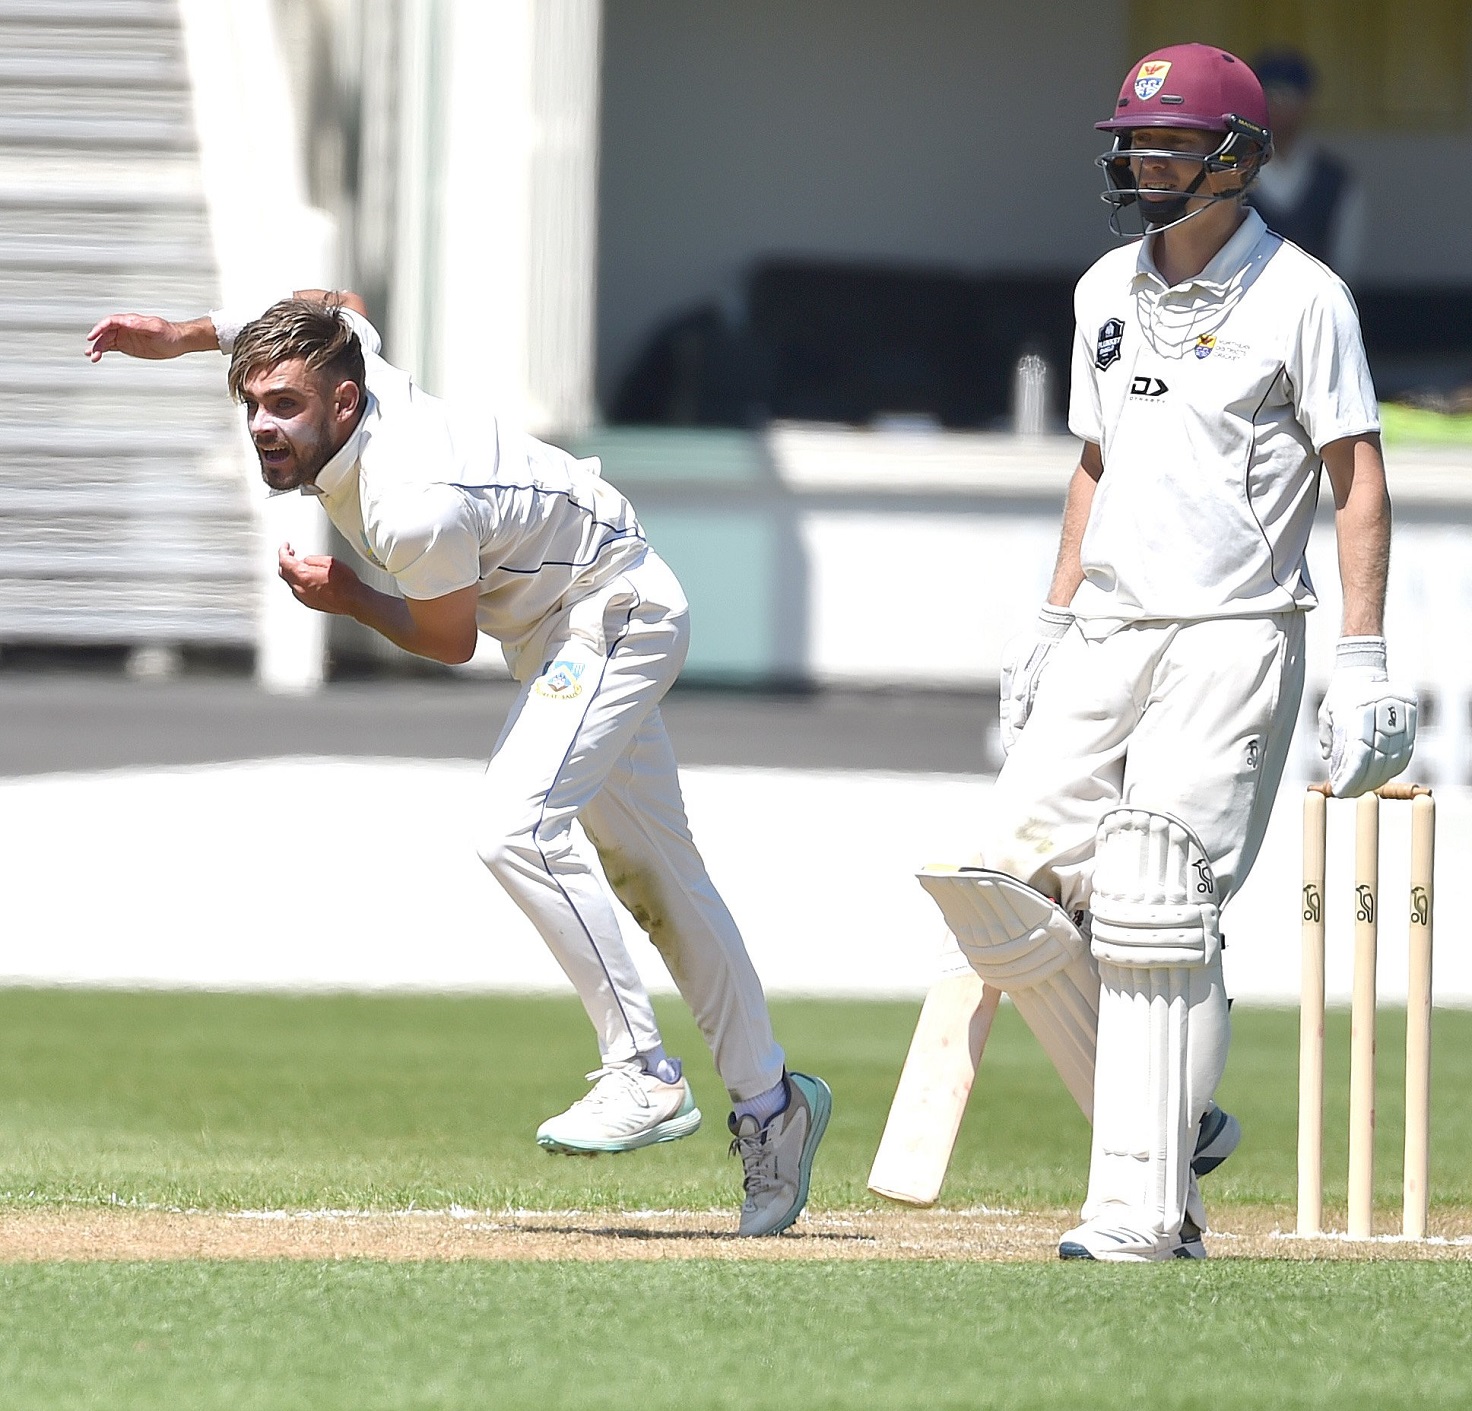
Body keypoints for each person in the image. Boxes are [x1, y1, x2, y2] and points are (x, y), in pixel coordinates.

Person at [84, 292, 830, 1237]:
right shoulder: (349, 357)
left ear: (345, 404)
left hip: (614, 608)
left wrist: (352, 597)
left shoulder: (412, 506)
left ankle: (642, 1072)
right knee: (663, 883)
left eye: (285, 407)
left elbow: (446, 638)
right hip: (566, 624)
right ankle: (774, 1112)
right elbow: (333, 303)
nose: (264, 428)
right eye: (252, 406)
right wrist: (183, 335)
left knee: (514, 827)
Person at [923, 43, 1416, 1261]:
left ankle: (1141, 1209)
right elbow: (1092, 464)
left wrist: (1361, 656)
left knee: (1157, 892)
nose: (1143, 159)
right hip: (1106, 626)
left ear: (1234, 157)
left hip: (1233, 631)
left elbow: (1355, 478)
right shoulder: (1102, 290)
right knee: (1000, 877)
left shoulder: (1302, 297)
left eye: (1169, 142)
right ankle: (1172, 1115)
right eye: (1134, 141)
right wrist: (1047, 620)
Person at [1245, 48, 1366, 279]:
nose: (1279, 107)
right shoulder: (1232, 174)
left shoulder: (1336, 180)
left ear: (1307, 102)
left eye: (1289, 96)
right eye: (1270, 96)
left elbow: (1346, 264)